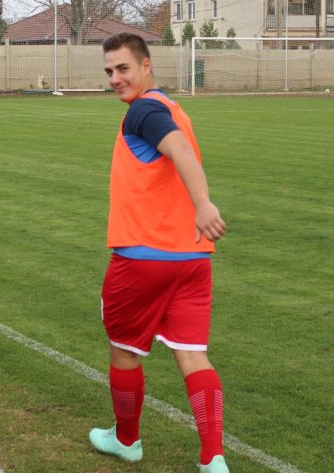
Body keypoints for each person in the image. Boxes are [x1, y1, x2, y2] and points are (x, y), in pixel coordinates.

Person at [89, 33, 229, 473]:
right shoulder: (171, 107)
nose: (115, 78)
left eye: (123, 68)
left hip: (143, 259)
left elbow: (180, 150)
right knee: (192, 354)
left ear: (146, 65)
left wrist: (203, 203)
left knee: (123, 350)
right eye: (109, 71)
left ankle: (126, 440)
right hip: (192, 259)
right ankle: (213, 459)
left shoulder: (144, 110)